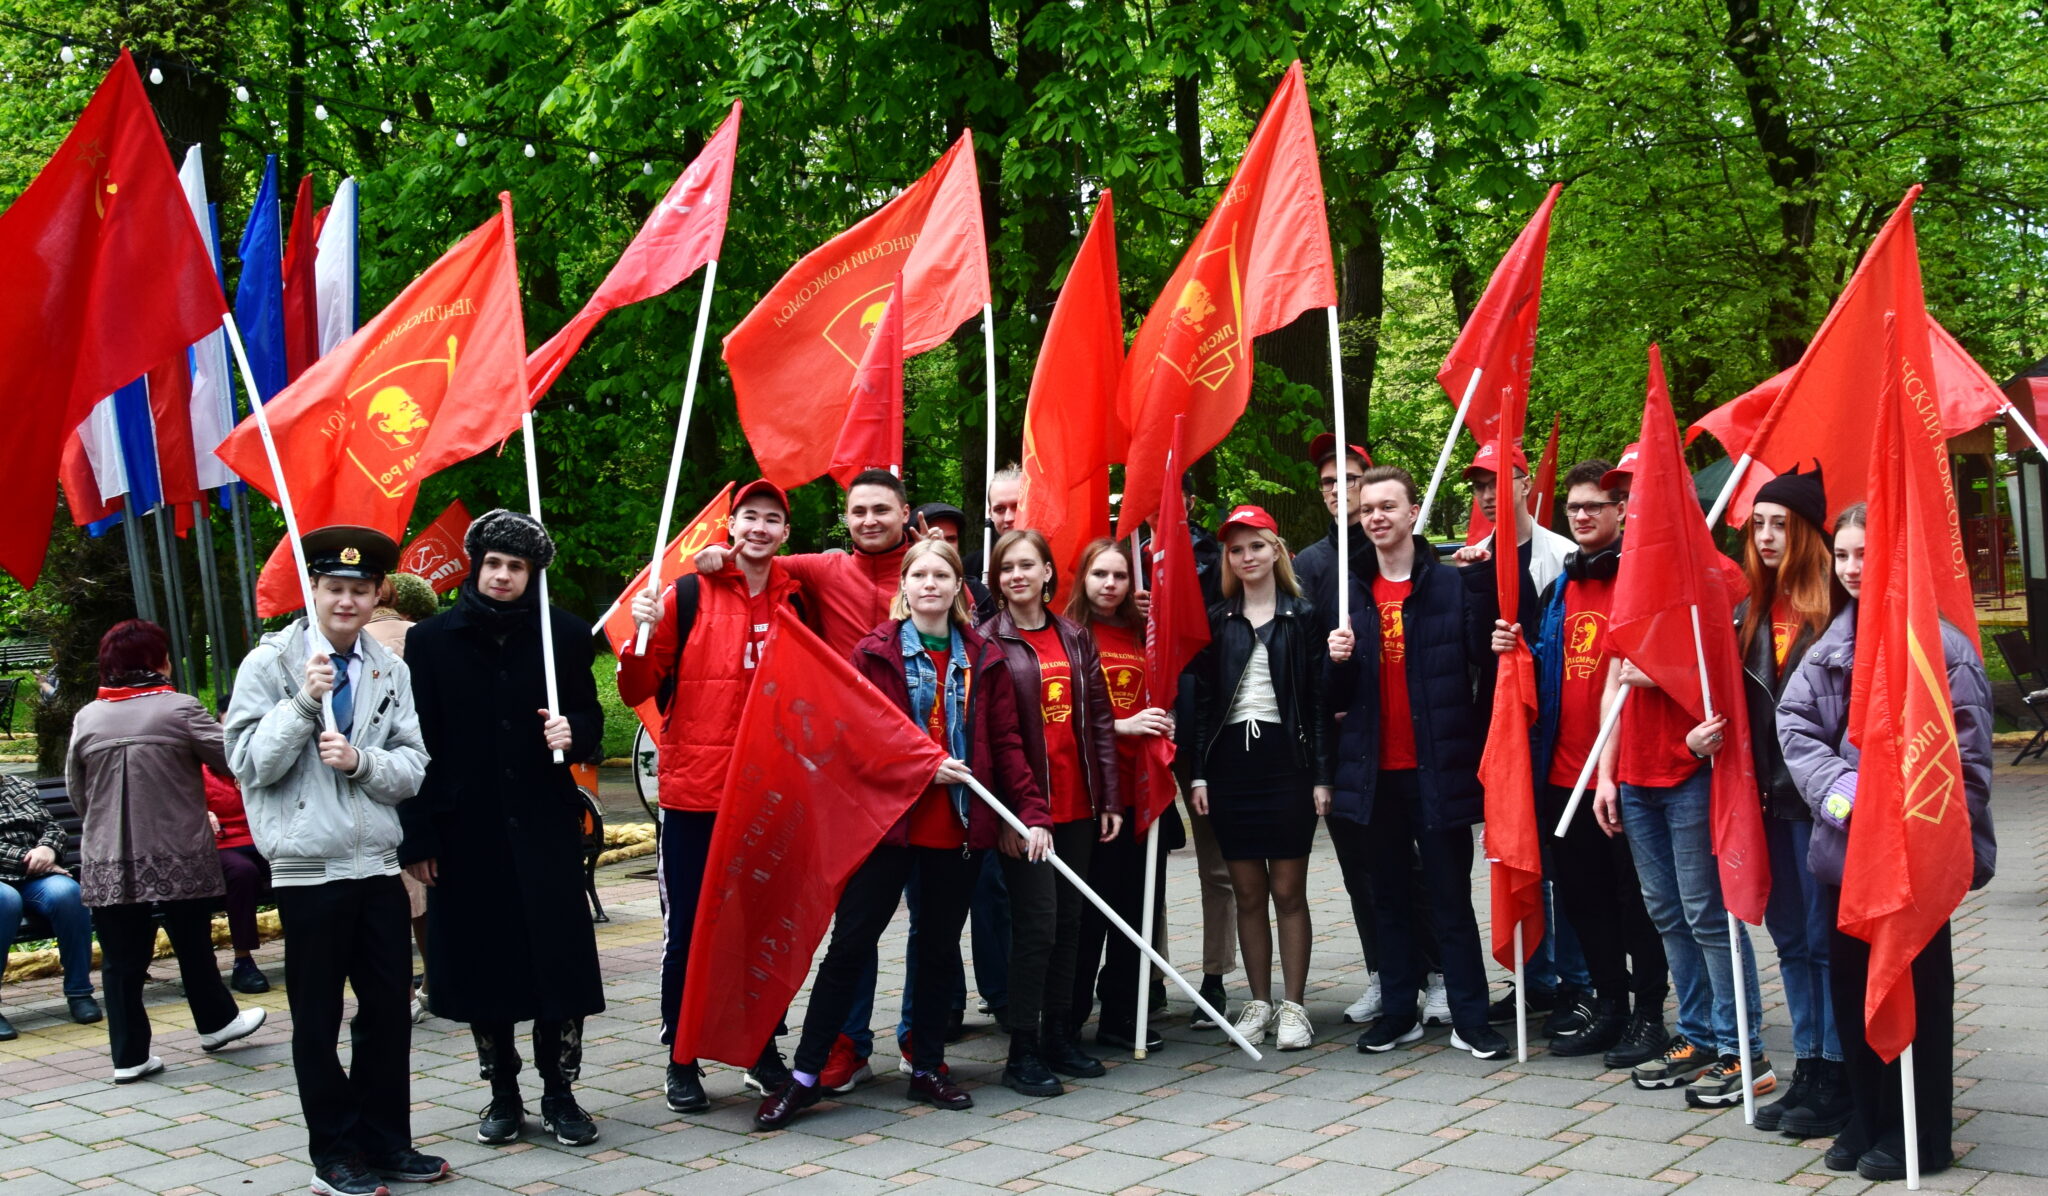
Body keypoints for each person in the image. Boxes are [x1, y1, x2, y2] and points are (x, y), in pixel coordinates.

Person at [753, 539, 1043, 1130]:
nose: (930, 584)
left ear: (959, 588)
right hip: (886, 829)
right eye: (920, 575)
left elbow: (1007, 745)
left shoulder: (983, 656)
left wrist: (1032, 812)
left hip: (956, 830)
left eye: (942, 574)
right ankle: (805, 1077)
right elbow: (854, 741)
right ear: (903, 588)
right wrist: (919, 769)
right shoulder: (873, 653)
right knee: (850, 948)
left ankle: (928, 1067)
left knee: (937, 952)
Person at [1777, 503, 1994, 1180]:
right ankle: (1869, 1116)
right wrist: (1846, 793)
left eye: (1864, 554)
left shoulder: (1944, 648)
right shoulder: (1831, 644)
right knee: (1852, 990)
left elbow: (1967, 757)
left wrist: (1906, 814)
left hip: (1916, 854)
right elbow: (1795, 724)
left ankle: (1922, 1135)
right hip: (1849, 855)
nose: (1850, 569)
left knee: (1918, 993)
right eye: (1841, 556)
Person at [224, 526, 444, 1196]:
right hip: (307, 872)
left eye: (359, 590)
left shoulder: (388, 667)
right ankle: (335, 1151)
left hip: (377, 867)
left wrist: (362, 762)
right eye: (333, 589)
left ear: (379, 594)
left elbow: (412, 768)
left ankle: (386, 1141)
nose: (345, 601)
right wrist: (299, 705)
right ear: (313, 591)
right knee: (316, 1020)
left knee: (387, 1012)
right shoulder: (271, 664)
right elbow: (249, 764)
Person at [694, 469, 923, 1088]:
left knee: (934, 917)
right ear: (845, 520)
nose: (870, 520)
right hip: (851, 775)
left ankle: (923, 1040)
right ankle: (847, 1042)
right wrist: (714, 555)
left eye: (882, 509)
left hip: (931, 767)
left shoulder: (931, 569)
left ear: (905, 513)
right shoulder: (822, 569)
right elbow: (752, 555)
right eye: (859, 511)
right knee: (855, 921)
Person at [400, 510, 606, 1149]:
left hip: (543, 827)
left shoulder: (564, 637)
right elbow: (414, 741)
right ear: (475, 565)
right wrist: (421, 837)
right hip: (466, 832)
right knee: (483, 963)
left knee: (557, 963)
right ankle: (503, 1093)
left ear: (533, 574)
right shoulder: (430, 641)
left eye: (516, 567)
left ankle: (561, 1091)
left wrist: (574, 731)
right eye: (493, 563)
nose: (502, 576)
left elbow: (590, 716)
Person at [618, 480, 804, 1114]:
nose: (758, 528)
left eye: (771, 519)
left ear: (784, 533)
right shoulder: (687, 594)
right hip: (697, 795)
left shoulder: (797, 600)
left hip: (768, 795)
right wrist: (637, 636)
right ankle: (682, 1056)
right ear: (731, 526)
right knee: (692, 934)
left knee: (759, 928)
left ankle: (759, 1050)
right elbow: (635, 686)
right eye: (749, 516)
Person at [1326, 467, 1510, 1060]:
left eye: (1388, 506)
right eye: (1368, 508)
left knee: (1451, 895)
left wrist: (1485, 587)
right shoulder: (1347, 590)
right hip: (1374, 774)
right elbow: (1330, 699)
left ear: (1412, 514)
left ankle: (1471, 1017)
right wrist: (1335, 662)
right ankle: (1399, 1013)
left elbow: (1493, 658)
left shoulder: (1451, 586)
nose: (1376, 516)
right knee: (1389, 897)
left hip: (1439, 767)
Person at [1491, 460, 1671, 1065]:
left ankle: (1650, 1014)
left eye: (1595, 505)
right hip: (1561, 774)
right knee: (1582, 899)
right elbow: (1542, 666)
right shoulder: (1561, 587)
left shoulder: (1643, 584)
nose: (1584, 516)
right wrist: (1511, 650)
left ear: (1622, 511)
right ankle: (1610, 1006)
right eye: (1574, 508)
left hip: (1624, 778)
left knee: (1638, 904)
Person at [1293, 433, 1447, 1031]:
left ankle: (1434, 974)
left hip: (1405, 735)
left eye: (1350, 481)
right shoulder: (1308, 563)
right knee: (1363, 868)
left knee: (1417, 866)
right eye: (1329, 483)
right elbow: (1307, 652)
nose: (1339, 492)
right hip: (1343, 740)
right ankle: (1385, 974)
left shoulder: (1409, 553)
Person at [68, 619, 266, 1083]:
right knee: (192, 942)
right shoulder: (179, 709)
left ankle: (129, 1057)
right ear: (157, 661)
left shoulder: (87, 717)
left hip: (107, 856)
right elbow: (235, 759)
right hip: (176, 849)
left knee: (121, 959)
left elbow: (79, 794)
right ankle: (217, 1025)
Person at [980, 529, 1124, 1089]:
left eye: (1027, 565)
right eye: (1006, 568)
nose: (1017, 575)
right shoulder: (988, 640)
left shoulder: (1075, 636)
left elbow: (1101, 721)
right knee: (1036, 926)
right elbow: (990, 740)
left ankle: (1060, 1036)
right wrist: (1008, 819)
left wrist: (1108, 796)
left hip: (1078, 804)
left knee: (1070, 925)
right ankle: (1022, 1048)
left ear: (1047, 573)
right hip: (1024, 812)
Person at [1187, 506, 1333, 1052]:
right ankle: (1258, 1002)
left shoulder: (1304, 616)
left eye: (1256, 546)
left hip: (1286, 766)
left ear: (1277, 550)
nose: (1247, 557)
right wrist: (1198, 774)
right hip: (1231, 771)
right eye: (1236, 549)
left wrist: (1323, 775)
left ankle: (1295, 1008)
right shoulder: (1218, 620)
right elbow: (1202, 705)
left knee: (1288, 890)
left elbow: (1317, 703)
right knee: (1247, 892)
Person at [1728, 464, 1848, 1126]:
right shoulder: (1748, 613)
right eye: (1759, 524)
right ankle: (1809, 1065)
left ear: (1806, 533)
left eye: (1781, 524)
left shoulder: (1834, 614)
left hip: (1819, 805)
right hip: (1768, 805)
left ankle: (1837, 1070)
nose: (1767, 536)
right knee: (1791, 942)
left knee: (1822, 939)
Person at [1063, 537, 1183, 1051]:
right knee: (1086, 916)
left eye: (1118, 575)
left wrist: (1162, 723)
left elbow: (1166, 694)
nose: (1110, 585)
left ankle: (1122, 1016)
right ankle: (1067, 1019)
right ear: (1082, 580)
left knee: (1136, 913)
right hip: (1090, 800)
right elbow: (1061, 719)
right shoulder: (1067, 637)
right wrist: (1123, 725)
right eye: (1099, 575)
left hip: (1142, 797)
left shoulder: (1144, 636)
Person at [360, 572, 435, 1019]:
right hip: (419, 773)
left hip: (363, 777)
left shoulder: (344, 643)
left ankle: (399, 993)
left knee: (387, 890)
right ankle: (436, 980)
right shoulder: (423, 637)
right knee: (422, 886)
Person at [0, 774, 97, 1040]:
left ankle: (80, 993)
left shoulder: (18, 785)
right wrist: (28, 858)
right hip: (12, 875)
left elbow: (52, 826)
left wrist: (47, 849)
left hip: (35, 874)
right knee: (6, 900)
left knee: (68, 893)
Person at [1459, 438, 1575, 595]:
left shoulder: (1564, 555)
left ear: (1525, 486)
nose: (1487, 495)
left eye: (1498, 483)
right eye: (1479, 486)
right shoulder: (1475, 558)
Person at [205, 767, 273, 994]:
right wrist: (199, 811)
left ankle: (306, 951)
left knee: (292, 869)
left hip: (262, 839)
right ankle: (243, 961)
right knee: (243, 873)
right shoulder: (198, 769)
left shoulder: (253, 764)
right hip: (220, 845)